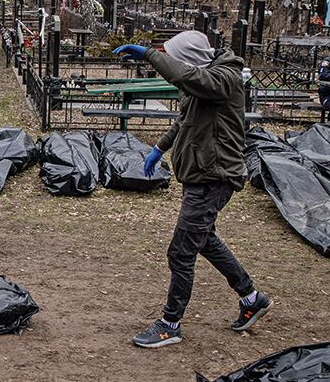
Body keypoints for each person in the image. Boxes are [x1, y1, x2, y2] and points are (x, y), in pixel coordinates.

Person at [114, 31, 271, 349]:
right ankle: (251, 297)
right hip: (201, 174)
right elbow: (184, 119)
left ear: (191, 59)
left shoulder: (223, 79)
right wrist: (159, 148)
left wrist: (150, 55)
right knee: (205, 240)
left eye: (177, 58)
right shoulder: (202, 82)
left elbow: (187, 75)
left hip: (214, 177)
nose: (175, 64)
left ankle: (170, 324)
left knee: (181, 251)